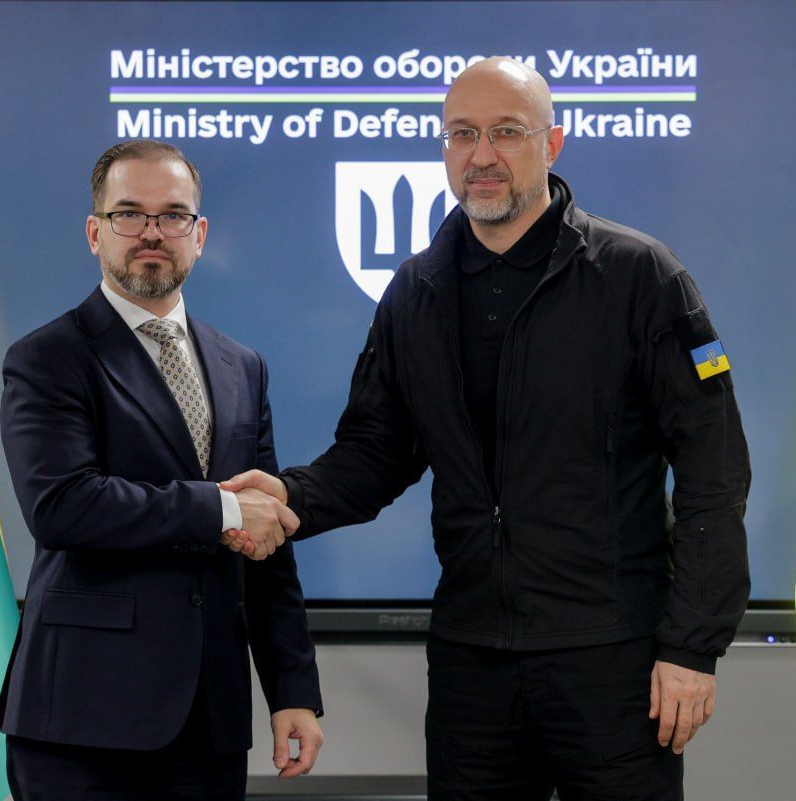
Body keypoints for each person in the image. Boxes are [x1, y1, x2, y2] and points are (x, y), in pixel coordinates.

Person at [224, 58, 750, 800]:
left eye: (507, 132)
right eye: (462, 134)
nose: (482, 155)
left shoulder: (640, 276)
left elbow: (713, 472)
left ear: (552, 144)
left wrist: (692, 646)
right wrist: (288, 496)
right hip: (472, 663)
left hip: (614, 659)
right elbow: (376, 452)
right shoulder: (416, 289)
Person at [0, 139, 323, 801]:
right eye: (129, 214)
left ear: (199, 235)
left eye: (172, 215)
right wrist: (221, 509)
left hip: (210, 722)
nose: (151, 231)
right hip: (83, 721)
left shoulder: (242, 366)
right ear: (96, 233)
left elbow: (266, 534)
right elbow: (62, 506)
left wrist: (292, 687)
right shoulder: (47, 357)